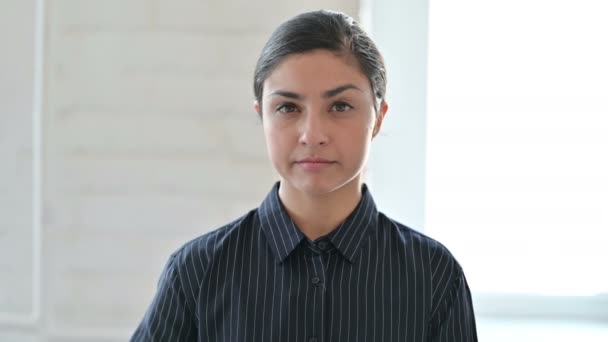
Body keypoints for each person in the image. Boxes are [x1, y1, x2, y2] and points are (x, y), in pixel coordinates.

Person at [131, 9, 477, 342]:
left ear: (379, 117)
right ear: (262, 116)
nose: (312, 134)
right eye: (288, 108)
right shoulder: (197, 270)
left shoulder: (434, 276)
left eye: (340, 106)